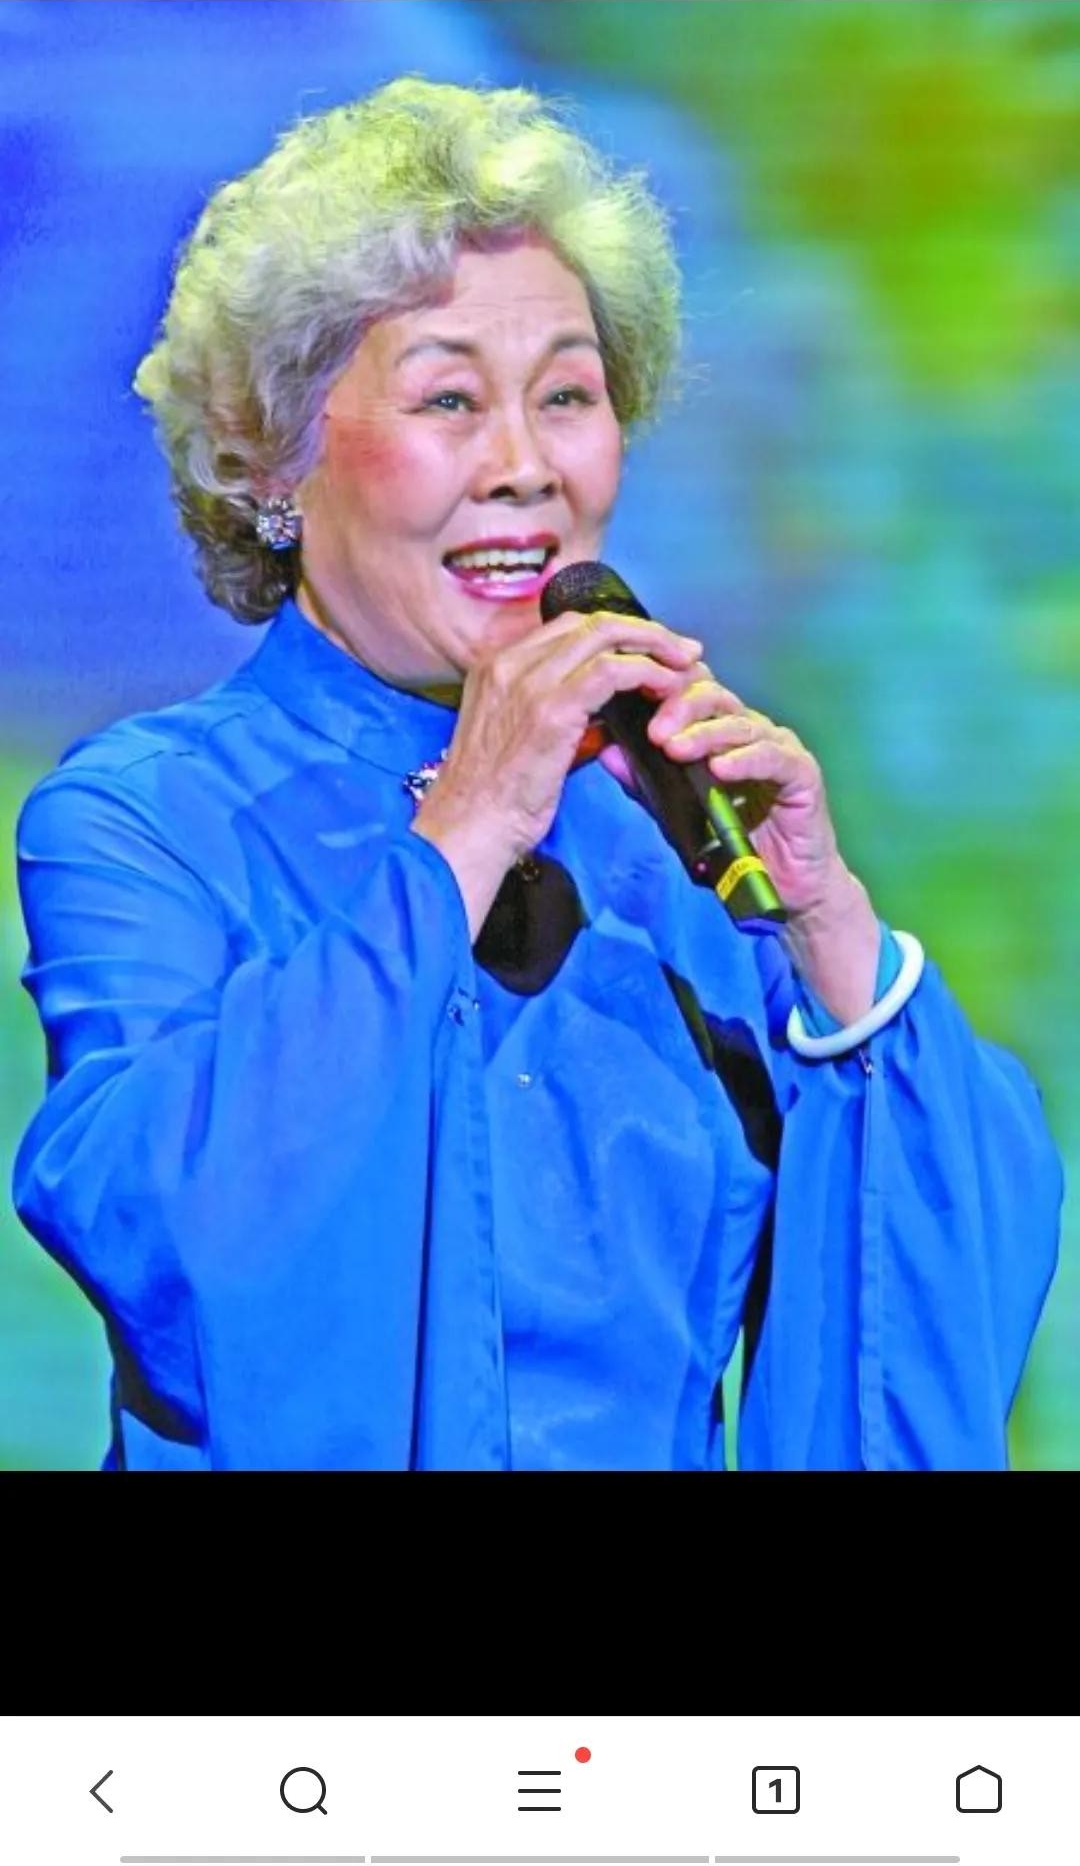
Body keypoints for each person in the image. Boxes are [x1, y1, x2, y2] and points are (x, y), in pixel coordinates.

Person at [11, 76, 1063, 1472]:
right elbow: (173, 1234)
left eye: (567, 395)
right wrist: (467, 830)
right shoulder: (145, 818)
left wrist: (828, 933)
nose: (523, 466)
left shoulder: (675, 854)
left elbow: (935, 1310)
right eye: (449, 397)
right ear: (271, 462)